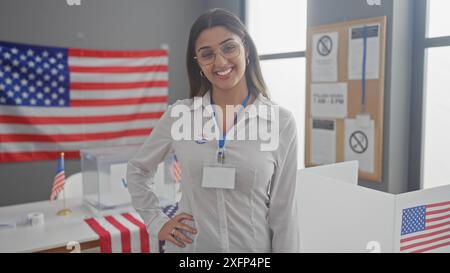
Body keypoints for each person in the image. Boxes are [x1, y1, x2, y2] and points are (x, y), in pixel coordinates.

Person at [126, 8, 299, 253]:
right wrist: (156, 221)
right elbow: (137, 170)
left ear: (246, 50)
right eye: (207, 54)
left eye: (229, 48)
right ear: (198, 64)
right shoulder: (180, 115)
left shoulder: (281, 122)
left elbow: (284, 215)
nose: (220, 62)